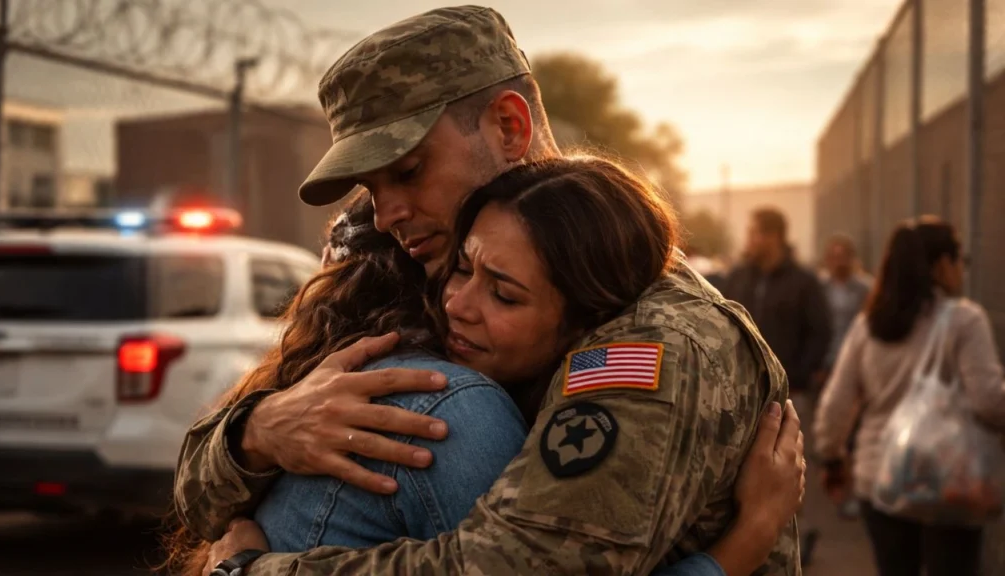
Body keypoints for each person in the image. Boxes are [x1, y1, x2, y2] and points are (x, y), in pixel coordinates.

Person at [174, 7, 802, 575]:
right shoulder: (400, 271)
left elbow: (529, 565)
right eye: (370, 187)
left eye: (409, 171)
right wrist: (257, 433)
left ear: (508, 125)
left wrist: (247, 572)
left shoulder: (653, 335)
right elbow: (194, 489)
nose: (387, 213)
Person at [814, 216, 1005, 576]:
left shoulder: (869, 324)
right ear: (942, 265)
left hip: (881, 478)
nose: (962, 270)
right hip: (952, 483)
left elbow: (837, 402)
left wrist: (831, 456)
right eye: (959, 259)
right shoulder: (965, 320)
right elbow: (989, 402)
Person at [719, 207, 830, 565]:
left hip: (790, 396)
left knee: (792, 464)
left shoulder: (803, 282)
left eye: (754, 233)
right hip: (740, 395)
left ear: (773, 236)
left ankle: (799, 534)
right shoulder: (738, 278)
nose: (749, 241)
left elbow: (820, 333)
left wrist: (797, 376)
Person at [817, 234, 872, 518]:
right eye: (834, 255)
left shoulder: (865, 289)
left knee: (853, 431)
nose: (839, 261)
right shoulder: (819, 287)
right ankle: (835, 483)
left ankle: (851, 489)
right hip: (826, 364)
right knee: (830, 424)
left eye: (843, 255)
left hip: (856, 365)